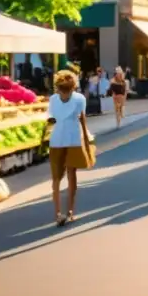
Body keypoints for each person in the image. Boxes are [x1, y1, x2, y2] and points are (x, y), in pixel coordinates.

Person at [47, 70, 89, 226]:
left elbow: (82, 118)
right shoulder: (55, 99)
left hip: (71, 140)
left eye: (67, 91)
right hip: (60, 140)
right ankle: (59, 213)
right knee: (57, 177)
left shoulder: (78, 99)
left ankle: (69, 210)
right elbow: (51, 117)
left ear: (73, 88)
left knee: (70, 174)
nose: (64, 94)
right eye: (62, 90)